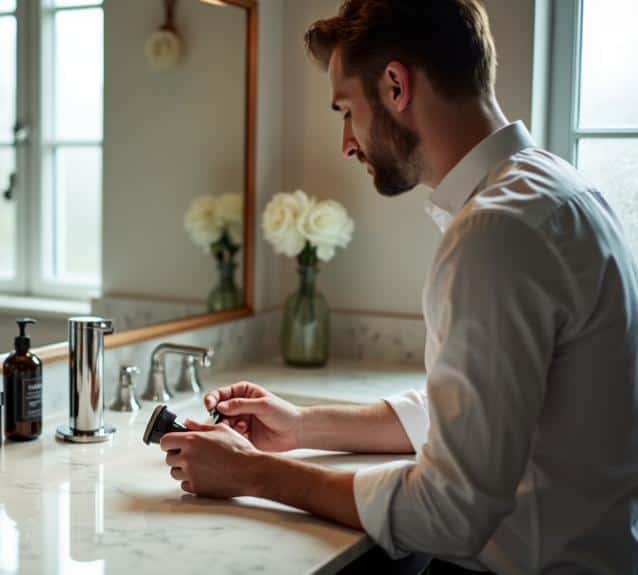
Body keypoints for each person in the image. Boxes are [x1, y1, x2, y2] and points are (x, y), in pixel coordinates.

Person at [160, 1, 638, 572]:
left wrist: (252, 474)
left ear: (394, 85)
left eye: (345, 110)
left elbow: (451, 510)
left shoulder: (496, 230)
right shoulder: (556, 191)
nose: (346, 142)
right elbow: (477, 414)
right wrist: (303, 425)